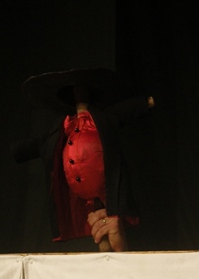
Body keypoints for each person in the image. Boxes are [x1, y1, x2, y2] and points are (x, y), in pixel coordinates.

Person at [12, 67, 155, 252]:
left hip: (104, 185)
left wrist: (145, 103)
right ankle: (108, 252)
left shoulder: (101, 121)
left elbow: (123, 112)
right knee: (98, 224)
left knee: (109, 220)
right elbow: (41, 143)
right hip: (83, 195)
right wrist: (18, 151)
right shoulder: (64, 127)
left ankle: (114, 250)